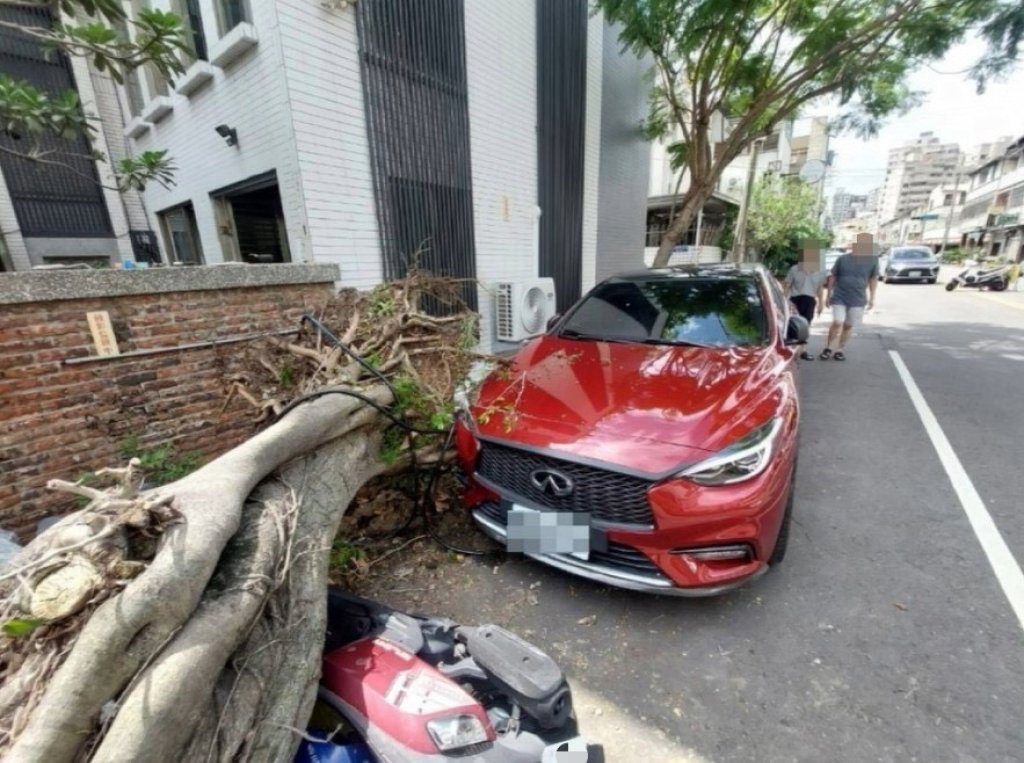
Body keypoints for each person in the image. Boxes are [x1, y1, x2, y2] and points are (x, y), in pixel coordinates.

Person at [819, 232, 879, 361]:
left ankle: (839, 350)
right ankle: (828, 347)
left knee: (848, 325)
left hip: (858, 298)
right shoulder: (843, 259)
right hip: (840, 295)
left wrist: (872, 297)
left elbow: (873, 279)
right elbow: (833, 276)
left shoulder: (873, 260)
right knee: (838, 321)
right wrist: (828, 294)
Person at [784, 241, 828, 361]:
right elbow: (787, 285)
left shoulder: (821, 272)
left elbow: (819, 288)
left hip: (809, 300)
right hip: (795, 299)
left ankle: (803, 350)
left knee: (806, 326)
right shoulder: (795, 269)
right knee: (792, 325)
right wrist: (783, 300)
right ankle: (792, 350)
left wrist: (821, 304)